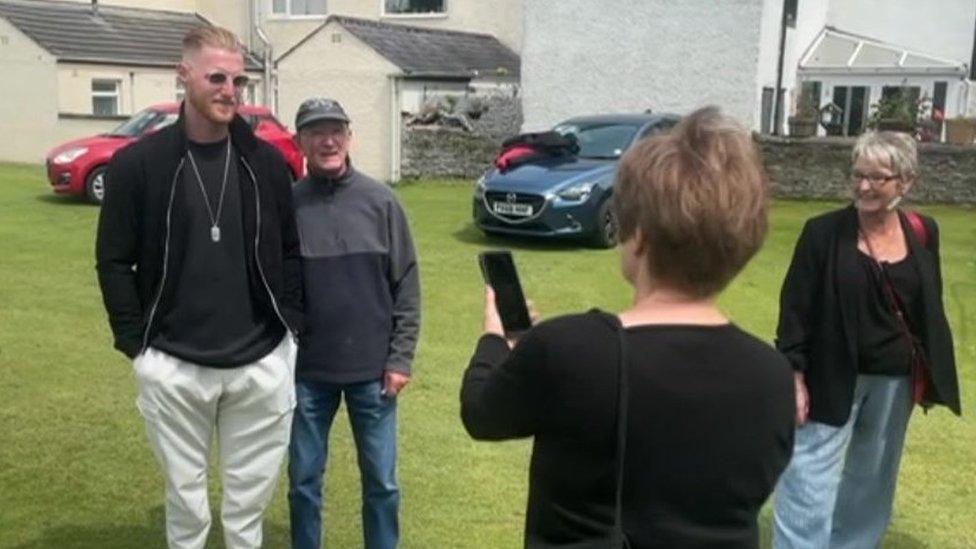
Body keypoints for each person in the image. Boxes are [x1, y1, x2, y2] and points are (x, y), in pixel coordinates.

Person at [460, 107, 795, 548]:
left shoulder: (568, 349)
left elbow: (483, 413)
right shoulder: (773, 375)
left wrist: (495, 342)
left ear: (638, 238)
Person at [95, 25, 302, 549]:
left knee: (246, 509)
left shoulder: (268, 163)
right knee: (185, 506)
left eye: (238, 80)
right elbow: (114, 261)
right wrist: (134, 345)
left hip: (260, 362)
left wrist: (290, 335)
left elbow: (290, 253)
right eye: (216, 77)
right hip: (173, 363)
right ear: (183, 76)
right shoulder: (137, 166)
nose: (230, 90)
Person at [772, 131, 960, 549]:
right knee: (808, 472)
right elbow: (795, 309)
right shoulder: (822, 233)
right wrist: (794, 375)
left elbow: (928, 303)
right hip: (830, 373)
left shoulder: (923, 231)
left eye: (877, 178)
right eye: (857, 175)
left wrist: (927, 373)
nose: (863, 187)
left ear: (905, 181)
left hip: (894, 380)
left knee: (872, 477)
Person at [287, 98, 420, 549]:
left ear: (349, 137)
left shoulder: (381, 201)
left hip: (374, 372)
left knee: (382, 483)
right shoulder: (287, 206)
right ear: (299, 142)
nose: (328, 140)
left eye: (336, 131)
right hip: (307, 373)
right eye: (316, 132)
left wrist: (400, 358)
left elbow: (406, 285)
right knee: (303, 480)